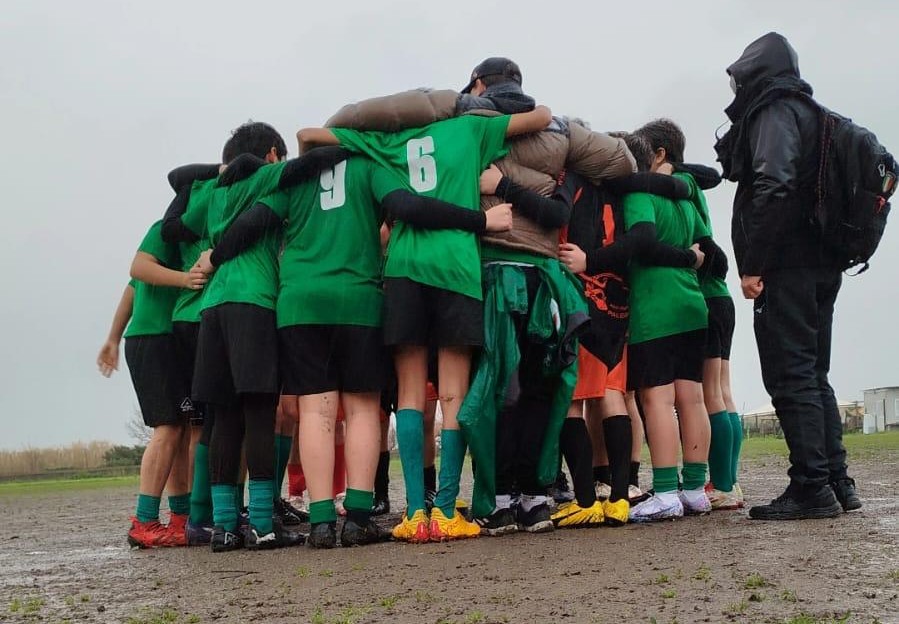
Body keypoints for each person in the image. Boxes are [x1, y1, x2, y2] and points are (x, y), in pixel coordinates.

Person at [298, 104, 551, 542]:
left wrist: (370, 126)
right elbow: (541, 117)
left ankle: (415, 513)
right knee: (453, 394)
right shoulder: (469, 128)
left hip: (403, 271)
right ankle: (447, 509)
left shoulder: (387, 141)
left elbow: (310, 134)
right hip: (455, 269)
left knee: (410, 395)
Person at [715, 32, 859, 520]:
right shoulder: (815, 114)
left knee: (791, 374)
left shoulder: (775, 110)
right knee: (815, 374)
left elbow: (774, 184)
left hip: (788, 265)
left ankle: (811, 488)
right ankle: (837, 482)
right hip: (823, 262)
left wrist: (754, 262)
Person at [622, 120, 713, 523]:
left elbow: (640, 243)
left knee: (657, 399)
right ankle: (694, 489)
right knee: (692, 397)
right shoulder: (685, 198)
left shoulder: (638, 193)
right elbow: (699, 244)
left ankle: (663, 492)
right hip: (692, 301)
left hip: (654, 305)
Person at [97, 220, 207, 548]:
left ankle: (179, 518)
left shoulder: (192, 234)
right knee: (167, 429)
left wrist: (112, 338)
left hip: (166, 339)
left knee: (182, 429)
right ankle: (143, 521)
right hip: (152, 338)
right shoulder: (166, 230)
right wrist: (185, 279)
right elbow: (138, 274)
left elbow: (130, 288)